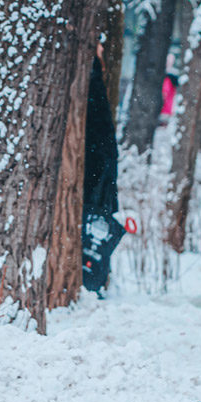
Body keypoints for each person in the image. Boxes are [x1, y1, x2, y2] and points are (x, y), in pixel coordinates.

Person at [81, 50, 127, 295]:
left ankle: (90, 278)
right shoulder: (93, 89)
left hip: (97, 172)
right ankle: (92, 279)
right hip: (99, 173)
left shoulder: (92, 89)